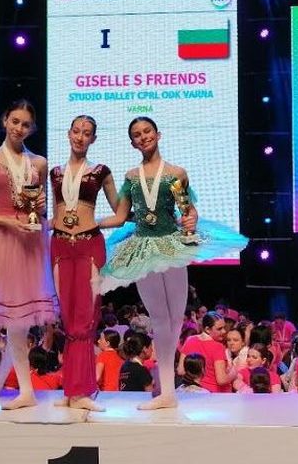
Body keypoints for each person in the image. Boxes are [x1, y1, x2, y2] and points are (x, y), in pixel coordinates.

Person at [98, 117, 246, 409]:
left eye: (147, 131)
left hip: (171, 246)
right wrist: (88, 224)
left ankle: (167, 389)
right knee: (159, 320)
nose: (143, 137)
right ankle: (166, 390)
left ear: (158, 134)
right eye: (137, 134)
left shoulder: (177, 173)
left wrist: (191, 219)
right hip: (143, 248)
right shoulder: (131, 177)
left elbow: (187, 210)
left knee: (176, 318)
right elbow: (121, 216)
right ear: (132, 143)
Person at [0, 100, 59, 410]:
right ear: (5, 120)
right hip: (2, 241)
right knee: (13, 321)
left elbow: (41, 208)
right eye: (15, 121)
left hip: (30, 242)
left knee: (19, 323)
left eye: (25, 124)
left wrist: (40, 209)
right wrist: (8, 222)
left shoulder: (39, 163)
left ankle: (12, 388)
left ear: (32, 128)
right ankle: (22, 389)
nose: (19, 128)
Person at [50, 115, 119, 411]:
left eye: (86, 133)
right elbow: (55, 214)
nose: (80, 137)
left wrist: (96, 223)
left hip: (89, 244)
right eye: (76, 131)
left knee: (85, 317)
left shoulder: (101, 171)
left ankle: (82, 391)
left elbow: (120, 213)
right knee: (68, 317)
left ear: (94, 138)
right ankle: (72, 390)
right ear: (68, 134)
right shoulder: (55, 173)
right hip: (59, 244)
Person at [180, 312, 235, 393]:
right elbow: (221, 380)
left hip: (194, 392)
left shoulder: (190, 340)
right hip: (214, 395)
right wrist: (234, 372)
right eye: (219, 329)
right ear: (207, 329)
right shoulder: (218, 347)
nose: (224, 331)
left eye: (224, 327)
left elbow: (181, 370)